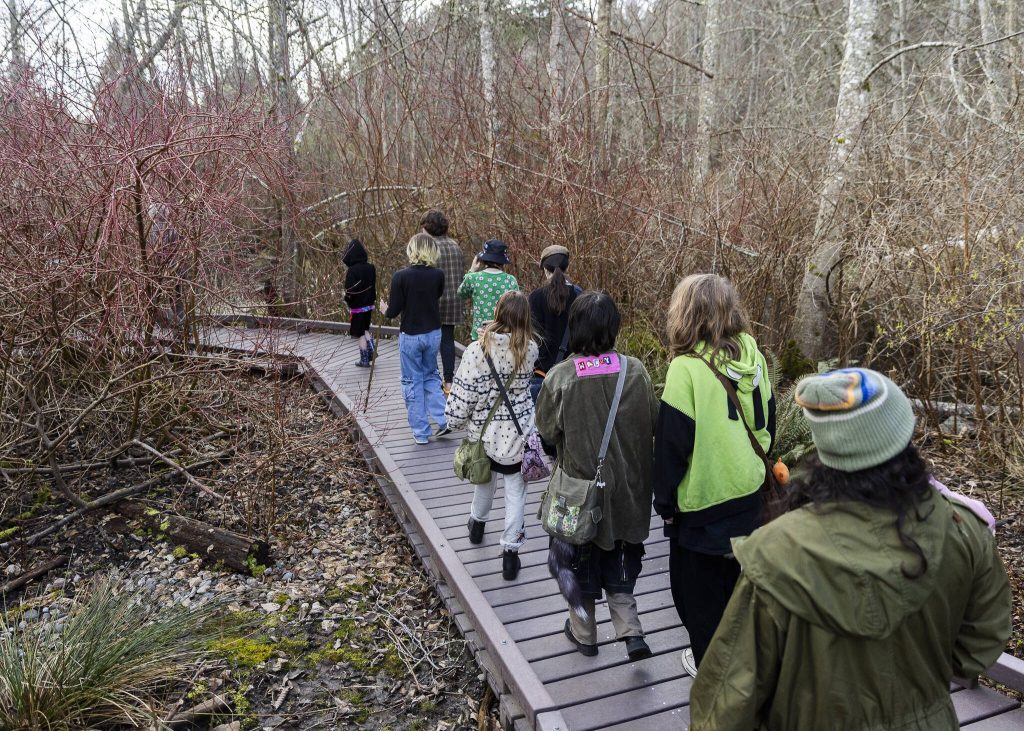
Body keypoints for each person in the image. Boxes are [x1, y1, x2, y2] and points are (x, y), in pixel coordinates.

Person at [689, 368, 1012, 730]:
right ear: (904, 435)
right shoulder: (963, 529)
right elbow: (980, 645)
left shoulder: (775, 554)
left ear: (827, 450)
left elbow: (725, 702)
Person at [652, 273, 775, 678]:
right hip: (749, 499)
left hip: (702, 510)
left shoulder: (685, 370)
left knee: (697, 608)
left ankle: (717, 684)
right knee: (740, 598)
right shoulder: (752, 355)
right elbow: (768, 424)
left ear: (685, 314)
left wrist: (665, 504)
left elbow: (672, 448)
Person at [536, 292, 659, 661]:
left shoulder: (561, 377)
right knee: (622, 557)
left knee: (579, 562)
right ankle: (630, 631)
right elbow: (653, 421)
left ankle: (585, 632)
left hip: (579, 495)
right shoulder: (635, 369)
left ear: (574, 328)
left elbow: (545, 431)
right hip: (630, 493)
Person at [445, 291, 538, 580]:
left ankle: (477, 525)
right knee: (516, 492)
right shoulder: (530, 348)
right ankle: (511, 555)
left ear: (498, 313)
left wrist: (453, 419)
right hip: (518, 432)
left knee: (484, 480)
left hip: (486, 432)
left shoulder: (478, 349)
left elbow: (464, 394)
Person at [380, 233, 450, 445]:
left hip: (411, 334)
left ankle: (421, 431)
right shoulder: (438, 274)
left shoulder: (401, 276)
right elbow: (436, 297)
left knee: (412, 381)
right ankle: (444, 419)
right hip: (433, 333)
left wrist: (384, 310)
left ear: (412, 250)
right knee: (430, 376)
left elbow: (394, 311)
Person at [528, 244, 581, 403]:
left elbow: (532, 338)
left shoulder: (536, 297)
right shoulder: (580, 296)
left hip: (542, 374)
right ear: (567, 266)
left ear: (545, 269)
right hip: (573, 373)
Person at [421, 210, 465, 394]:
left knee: (430, 341)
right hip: (454, 299)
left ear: (428, 228)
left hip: (434, 300)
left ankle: (433, 379)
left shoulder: (429, 248)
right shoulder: (456, 246)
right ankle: (449, 382)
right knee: (448, 340)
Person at [457, 239, 519, 340]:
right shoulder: (510, 280)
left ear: (482, 259)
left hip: (480, 333)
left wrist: (471, 270)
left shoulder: (473, 278)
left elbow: (461, 293)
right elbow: (517, 307)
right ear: (502, 261)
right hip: (504, 333)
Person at [342, 238, 377, 368]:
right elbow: (373, 286)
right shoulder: (371, 268)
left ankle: (364, 359)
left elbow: (350, 290)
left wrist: (347, 300)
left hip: (357, 307)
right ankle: (372, 350)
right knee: (365, 329)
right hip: (369, 305)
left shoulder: (352, 270)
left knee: (359, 333)